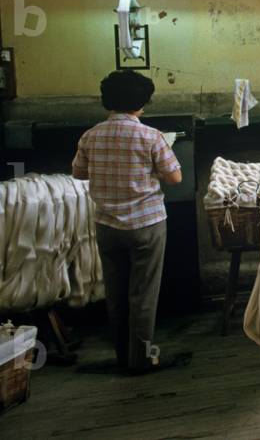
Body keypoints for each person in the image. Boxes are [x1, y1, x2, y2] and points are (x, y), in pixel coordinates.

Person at [71, 70, 182, 375]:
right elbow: (175, 177)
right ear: (143, 102)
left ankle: (123, 357)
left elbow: (79, 174)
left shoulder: (91, 135)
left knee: (116, 295)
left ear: (107, 101)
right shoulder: (151, 136)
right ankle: (142, 359)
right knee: (143, 295)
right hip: (146, 225)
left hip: (107, 226)